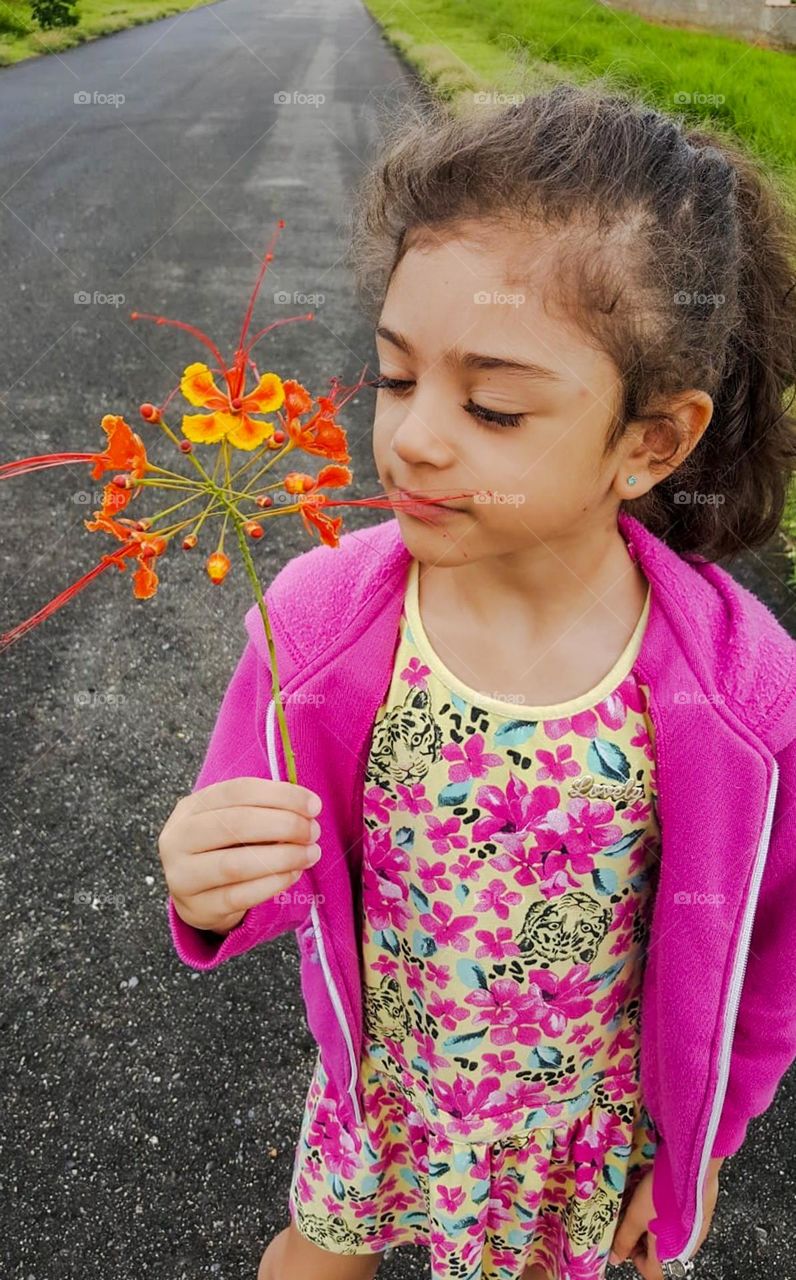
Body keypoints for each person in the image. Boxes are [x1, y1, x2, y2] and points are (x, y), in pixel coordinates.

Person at [157, 81, 796, 1280]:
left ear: (650, 443)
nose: (412, 439)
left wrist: (708, 1136)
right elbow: (256, 859)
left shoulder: (747, 696)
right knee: (317, 1249)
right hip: (381, 1083)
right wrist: (206, 884)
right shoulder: (318, 623)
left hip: (587, 1133)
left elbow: (771, 952)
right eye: (396, 379)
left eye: (492, 405)